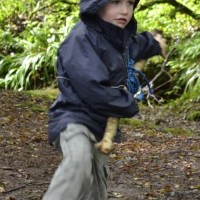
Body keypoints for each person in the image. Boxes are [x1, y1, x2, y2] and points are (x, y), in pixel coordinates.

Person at [43, 0, 167, 199]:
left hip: (100, 127)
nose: (125, 10)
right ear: (96, 4)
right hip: (74, 120)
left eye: (130, 3)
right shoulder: (82, 38)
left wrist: (152, 42)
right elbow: (92, 88)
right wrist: (126, 104)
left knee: (96, 189)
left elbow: (134, 46)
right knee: (78, 164)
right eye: (116, 2)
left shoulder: (117, 38)